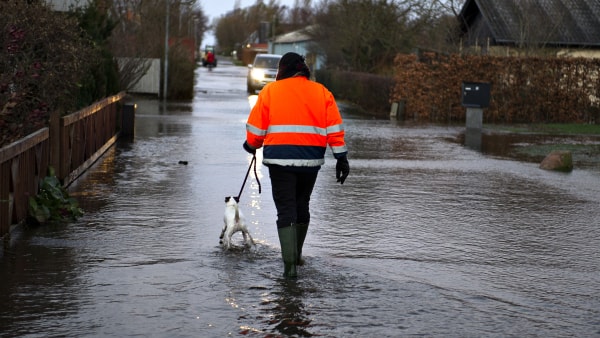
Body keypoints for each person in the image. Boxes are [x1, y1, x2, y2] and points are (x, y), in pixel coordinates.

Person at [243, 52, 350, 278]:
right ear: (303, 70)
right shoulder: (322, 92)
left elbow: (256, 131)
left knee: (286, 210)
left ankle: (289, 269)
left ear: (283, 69)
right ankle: (298, 256)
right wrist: (341, 157)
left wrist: (251, 145)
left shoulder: (270, 91)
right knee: (302, 205)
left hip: (280, 162)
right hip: (310, 161)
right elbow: (334, 129)